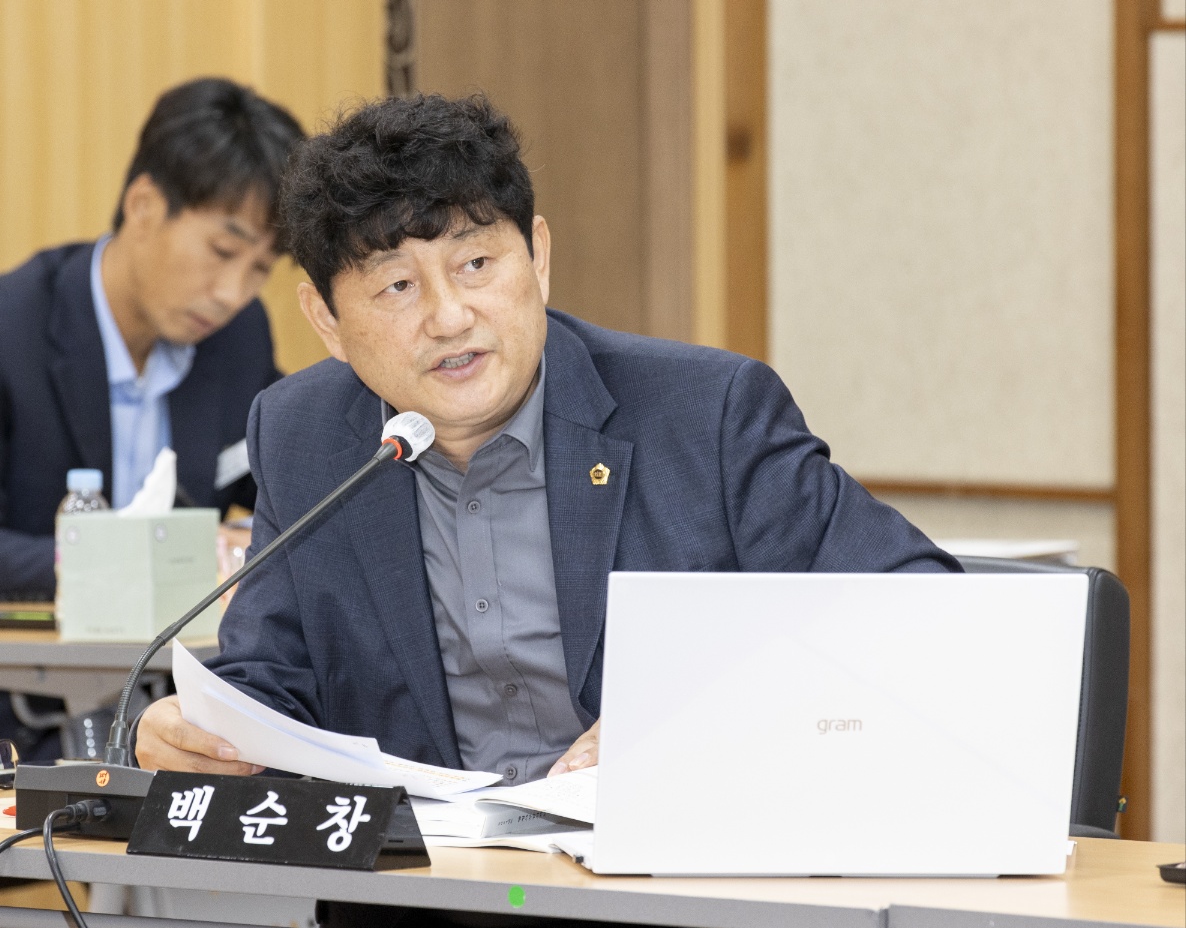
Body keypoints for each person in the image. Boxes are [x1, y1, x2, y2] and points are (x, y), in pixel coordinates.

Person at [136, 93, 958, 782]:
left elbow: (920, 606)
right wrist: (198, 730)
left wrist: (695, 719)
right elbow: (270, 680)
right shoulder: (304, 436)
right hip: (425, 889)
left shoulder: (704, 415)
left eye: (477, 265)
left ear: (538, 257)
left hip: (667, 878)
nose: (449, 317)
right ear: (327, 322)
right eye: (396, 285)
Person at [0, 77, 304, 760]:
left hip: (148, 713)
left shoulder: (238, 339)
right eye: (223, 252)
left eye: (260, 268)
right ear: (143, 206)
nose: (233, 292)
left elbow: (283, 493)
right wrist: (131, 561)